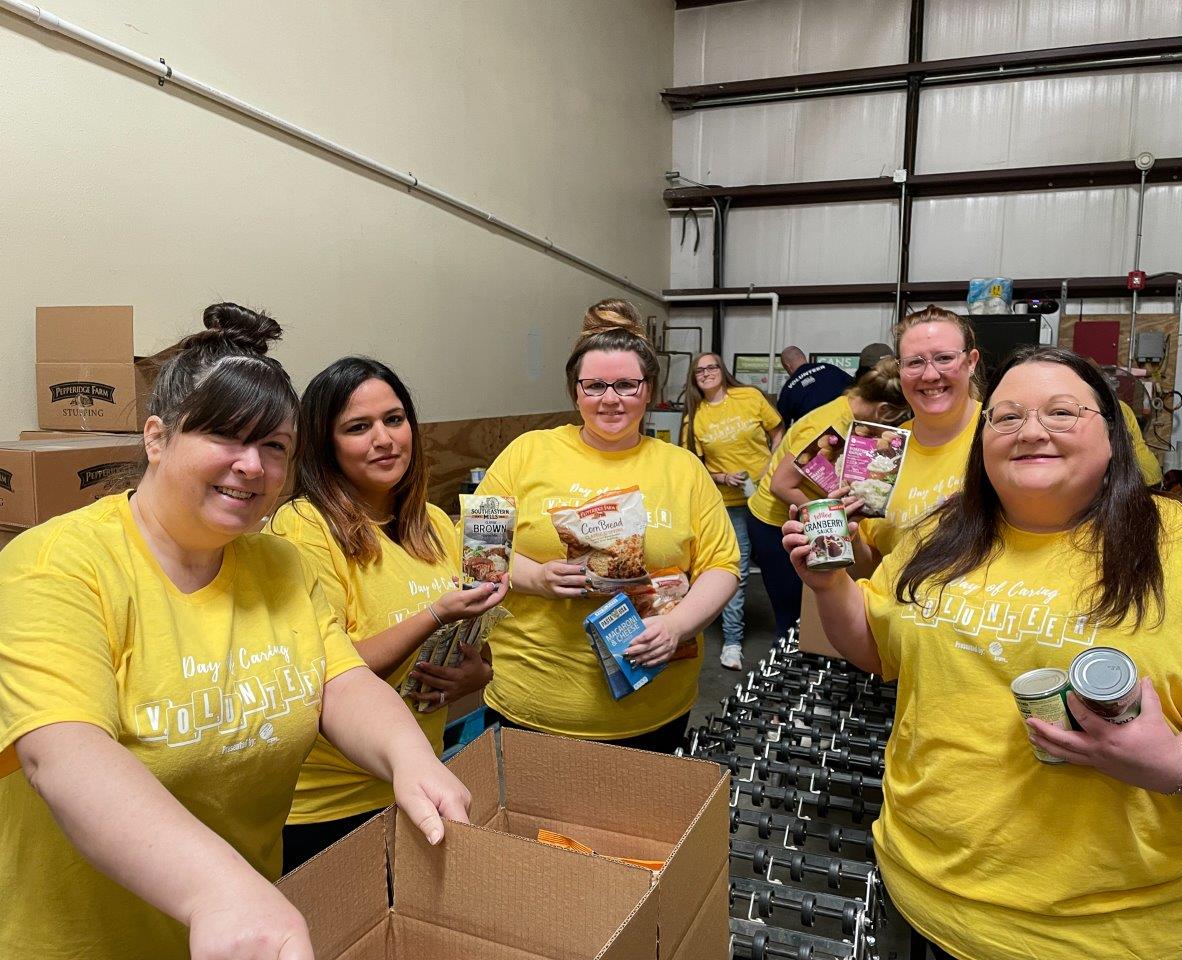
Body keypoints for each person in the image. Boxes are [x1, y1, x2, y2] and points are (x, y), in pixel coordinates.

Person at [0, 304, 470, 960]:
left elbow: (341, 682)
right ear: (157, 438)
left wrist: (410, 759)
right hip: (82, 941)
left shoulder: (277, 561)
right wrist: (216, 889)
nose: (252, 465)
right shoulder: (56, 563)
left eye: (274, 446)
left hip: (244, 933)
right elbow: (65, 753)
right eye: (226, 436)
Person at [787, 345, 1182, 960]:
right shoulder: (937, 537)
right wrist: (830, 584)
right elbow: (876, 648)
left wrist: (1173, 763)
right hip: (924, 887)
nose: (1032, 431)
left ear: (1113, 434)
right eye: (1007, 416)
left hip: (1106, 929)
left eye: (1063, 412)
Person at [269, 357, 507, 873]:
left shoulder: (438, 526)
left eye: (394, 420)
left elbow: (479, 654)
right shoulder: (304, 526)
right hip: (330, 804)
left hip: (421, 778)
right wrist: (435, 614)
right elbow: (327, 671)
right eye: (358, 427)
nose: (384, 439)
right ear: (324, 443)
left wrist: (473, 673)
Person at [476, 299, 739, 752]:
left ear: (649, 388)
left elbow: (722, 565)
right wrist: (536, 577)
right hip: (533, 698)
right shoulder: (528, 453)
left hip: (654, 702)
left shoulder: (683, 468)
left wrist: (678, 627)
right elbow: (478, 550)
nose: (610, 399)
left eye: (625, 384)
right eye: (595, 385)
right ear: (575, 391)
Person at [743, 358, 907, 638]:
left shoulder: (849, 406)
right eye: (900, 418)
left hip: (805, 516)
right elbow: (781, 486)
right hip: (774, 523)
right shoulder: (831, 425)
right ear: (884, 410)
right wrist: (835, 516)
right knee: (793, 614)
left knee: (812, 610)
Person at [855, 305, 984, 575]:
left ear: (971, 362)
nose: (930, 375)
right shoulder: (885, 449)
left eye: (944, 358)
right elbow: (869, 569)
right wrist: (850, 532)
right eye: (914, 362)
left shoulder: (998, 434)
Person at [682, 351, 783, 670]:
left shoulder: (749, 397)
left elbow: (778, 432)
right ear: (694, 378)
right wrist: (722, 477)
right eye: (700, 371)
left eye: (712, 367)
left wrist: (772, 468)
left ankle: (788, 639)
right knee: (735, 574)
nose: (707, 373)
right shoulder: (694, 417)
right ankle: (733, 642)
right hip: (730, 506)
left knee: (782, 568)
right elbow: (694, 466)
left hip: (768, 500)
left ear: (722, 370)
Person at [775, 345, 855, 428]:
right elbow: (857, 388)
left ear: (788, 366)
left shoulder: (788, 389)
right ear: (804, 358)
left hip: (812, 435)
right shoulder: (830, 368)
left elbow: (781, 425)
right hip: (844, 426)